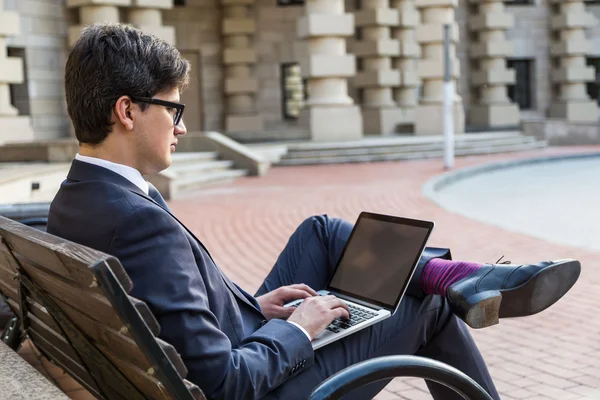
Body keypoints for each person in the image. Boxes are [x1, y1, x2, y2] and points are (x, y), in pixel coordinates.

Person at [47, 23, 581, 400]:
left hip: (237, 341)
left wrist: (261, 306)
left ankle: (462, 277)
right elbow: (224, 385)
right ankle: (459, 281)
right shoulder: (136, 220)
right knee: (427, 307)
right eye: (173, 109)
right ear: (127, 111)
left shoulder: (76, 199)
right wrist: (299, 329)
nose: (181, 127)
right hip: (266, 381)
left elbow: (176, 318)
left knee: (321, 232)